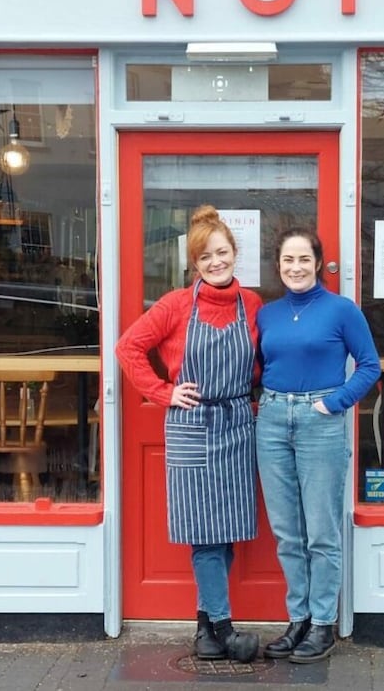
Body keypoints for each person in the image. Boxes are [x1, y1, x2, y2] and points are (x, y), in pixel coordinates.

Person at [115, 204, 263, 663]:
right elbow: (128, 348)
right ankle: (224, 628)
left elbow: (263, 362)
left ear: (234, 252)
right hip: (192, 426)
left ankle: (205, 629)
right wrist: (164, 392)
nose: (216, 262)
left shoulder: (252, 305)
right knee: (205, 533)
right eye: (205, 257)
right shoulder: (176, 305)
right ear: (194, 264)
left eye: (222, 253)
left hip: (237, 423)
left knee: (228, 530)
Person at [256, 226, 381, 664]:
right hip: (272, 420)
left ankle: (323, 623)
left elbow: (369, 366)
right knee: (287, 532)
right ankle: (299, 619)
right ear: (278, 265)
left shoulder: (341, 310)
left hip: (320, 421)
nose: (296, 268)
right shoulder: (267, 315)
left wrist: (334, 403)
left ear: (318, 263)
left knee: (321, 532)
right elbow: (260, 366)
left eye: (304, 259)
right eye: (288, 260)